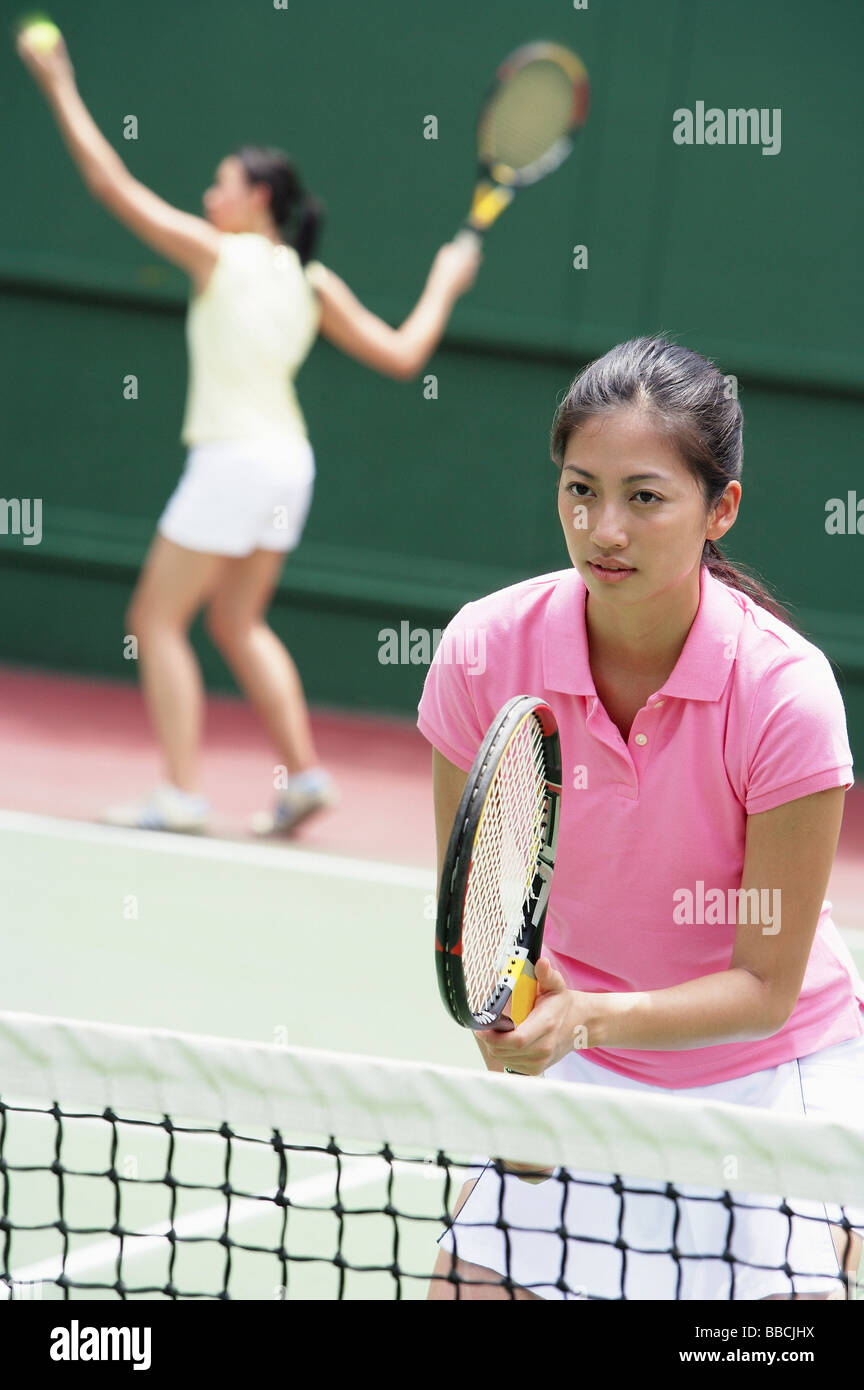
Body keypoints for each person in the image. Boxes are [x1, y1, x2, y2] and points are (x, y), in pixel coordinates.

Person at [418, 335, 864, 1301]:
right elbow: (483, 932)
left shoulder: (786, 695)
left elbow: (764, 984)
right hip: (579, 1045)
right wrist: (524, 1075)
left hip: (766, 1070)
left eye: (644, 497)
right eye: (580, 489)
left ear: (721, 510)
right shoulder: (480, 652)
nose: (602, 528)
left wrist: (583, 1022)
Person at [16, 27, 480, 834]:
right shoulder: (311, 279)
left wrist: (56, 82)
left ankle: (181, 793)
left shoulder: (217, 256)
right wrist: (445, 279)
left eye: (219, 184)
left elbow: (107, 181)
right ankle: (302, 776)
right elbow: (407, 354)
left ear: (259, 197)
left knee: (154, 622)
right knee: (236, 620)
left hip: (233, 460)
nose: (207, 197)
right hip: (288, 465)